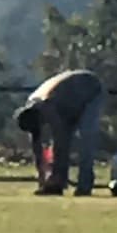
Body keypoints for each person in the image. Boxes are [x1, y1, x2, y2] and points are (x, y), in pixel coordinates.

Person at [14, 68, 107, 196]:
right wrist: (41, 177)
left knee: (86, 139)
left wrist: (52, 174)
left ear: (39, 118)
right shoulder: (31, 108)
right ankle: (58, 184)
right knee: (63, 142)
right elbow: (37, 147)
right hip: (69, 101)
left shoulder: (47, 104)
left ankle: (84, 185)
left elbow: (60, 138)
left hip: (91, 89)